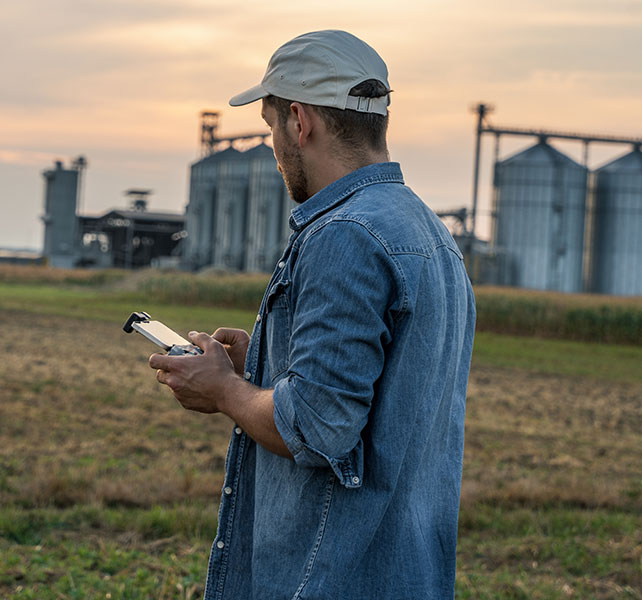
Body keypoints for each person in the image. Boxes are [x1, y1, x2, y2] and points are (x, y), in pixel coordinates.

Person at [150, 30, 476, 600]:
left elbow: (320, 426)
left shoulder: (344, 234)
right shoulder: (425, 231)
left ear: (300, 122)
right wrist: (266, 362)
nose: (275, 148)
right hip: (404, 575)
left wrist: (226, 391)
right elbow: (382, 395)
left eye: (272, 128)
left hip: (331, 577)